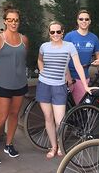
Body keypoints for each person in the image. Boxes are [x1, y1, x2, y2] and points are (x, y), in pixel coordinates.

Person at [36, 21, 95, 159]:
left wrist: (85, 86)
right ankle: (53, 146)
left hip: (59, 86)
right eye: (52, 32)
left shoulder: (69, 46)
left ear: (62, 32)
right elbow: (39, 60)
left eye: (58, 31)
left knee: (60, 121)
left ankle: (59, 143)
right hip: (44, 85)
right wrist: (42, 71)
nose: (55, 34)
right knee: (48, 118)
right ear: (49, 34)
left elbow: (78, 65)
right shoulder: (44, 46)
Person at [0, 4, 28, 165]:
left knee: (15, 115)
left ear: (19, 22)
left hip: (20, 85)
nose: (13, 23)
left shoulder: (24, 39)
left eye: (16, 20)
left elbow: (21, 61)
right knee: (1, 118)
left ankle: (9, 144)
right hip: (1, 85)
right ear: (5, 21)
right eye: (10, 20)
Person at [64, 10, 99, 104]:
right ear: (77, 21)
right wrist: (67, 75)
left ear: (90, 21)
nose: (84, 21)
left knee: (81, 106)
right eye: (81, 19)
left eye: (86, 19)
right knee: (64, 105)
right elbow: (63, 56)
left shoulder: (94, 38)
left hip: (83, 77)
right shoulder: (69, 36)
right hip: (68, 75)